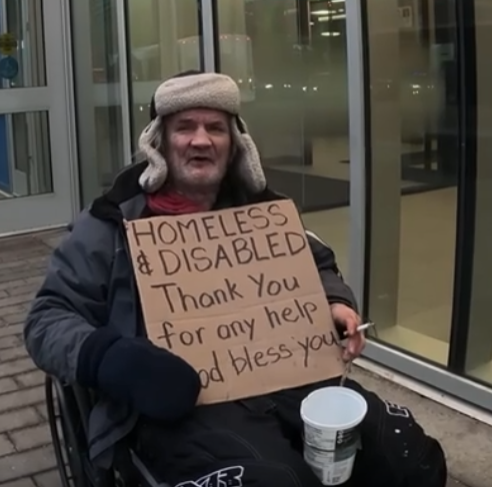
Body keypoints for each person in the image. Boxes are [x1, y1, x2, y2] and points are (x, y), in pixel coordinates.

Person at [23, 72, 447, 487]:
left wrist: (335, 301)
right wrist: (114, 359)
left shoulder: (264, 214)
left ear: (235, 143)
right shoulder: (110, 224)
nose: (201, 140)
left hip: (287, 379)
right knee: (273, 480)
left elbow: (317, 261)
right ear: (159, 142)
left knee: (408, 458)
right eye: (185, 127)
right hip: (176, 403)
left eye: (215, 128)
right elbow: (46, 319)